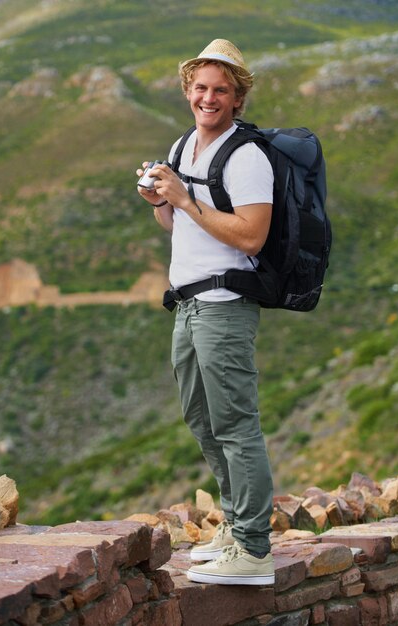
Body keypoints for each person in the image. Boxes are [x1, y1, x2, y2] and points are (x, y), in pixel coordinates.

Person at [136, 39, 275, 586]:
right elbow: (178, 227)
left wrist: (188, 199)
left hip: (225, 306)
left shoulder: (247, 156)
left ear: (238, 98)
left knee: (237, 424)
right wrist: (163, 202)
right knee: (202, 421)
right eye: (200, 88)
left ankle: (255, 550)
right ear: (187, 90)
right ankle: (236, 526)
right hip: (188, 305)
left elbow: (252, 234)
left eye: (221, 90)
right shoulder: (182, 145)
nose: (208, 97)